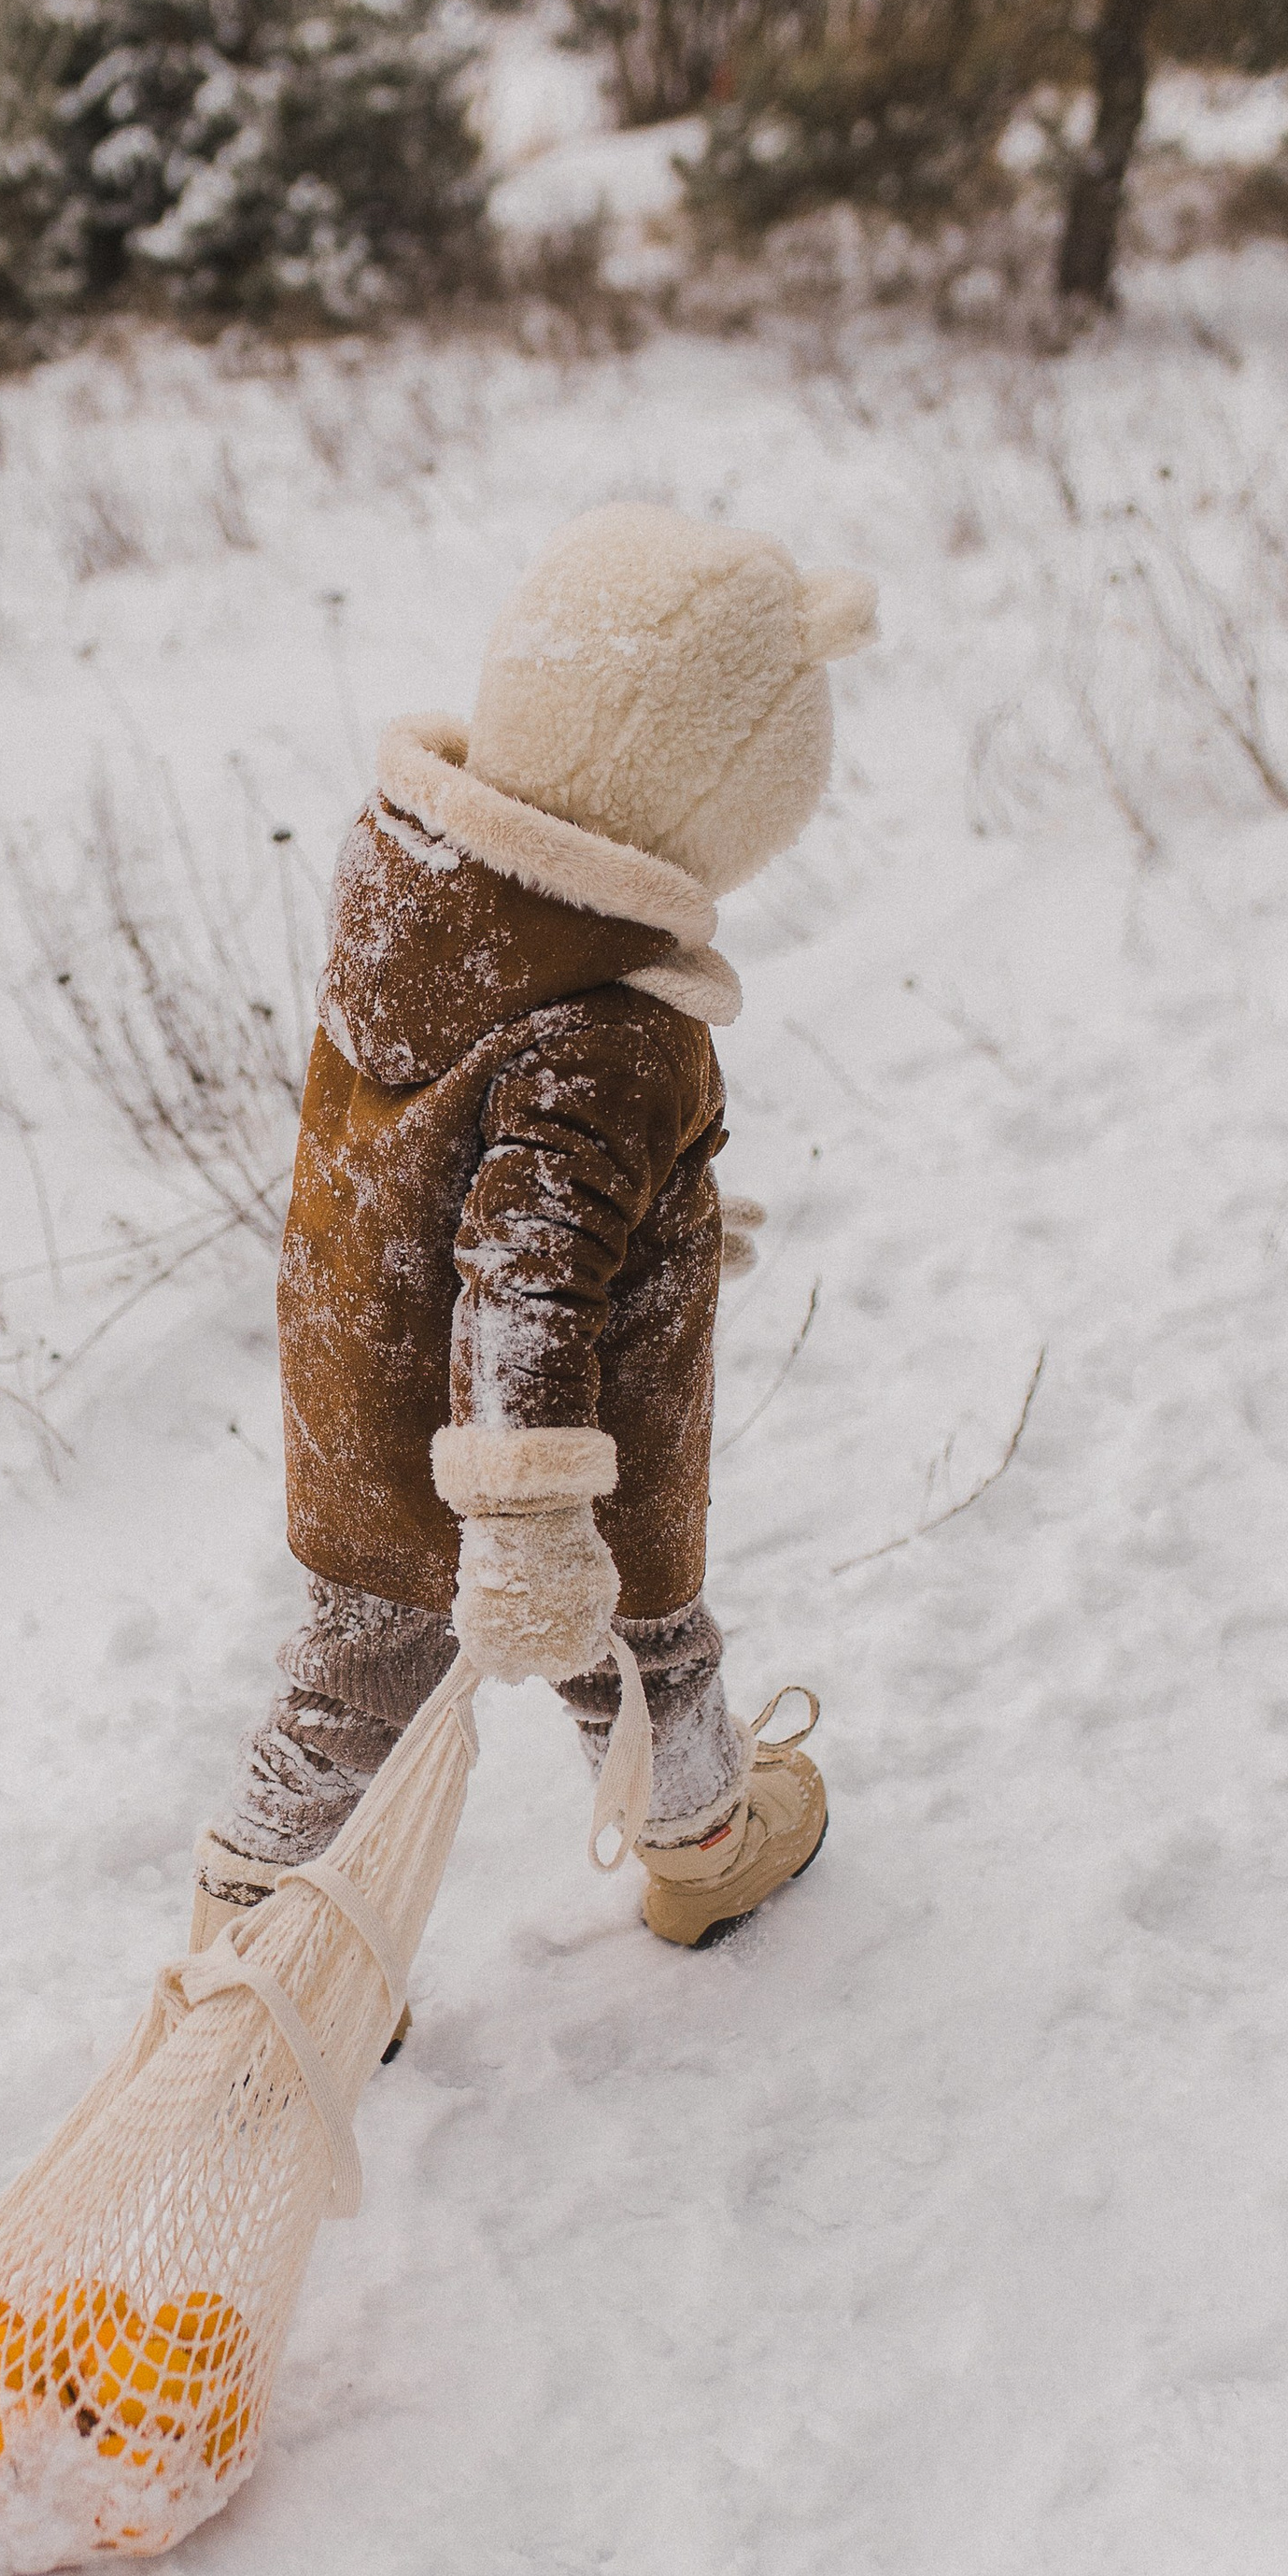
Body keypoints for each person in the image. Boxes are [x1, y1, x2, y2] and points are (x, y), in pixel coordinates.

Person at [193, 502, 875, 1962]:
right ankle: (703, 1843)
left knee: (354, 1670)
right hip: (562, 1448)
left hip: (359, 1387)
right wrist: (525, 1518)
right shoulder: (608, 1032)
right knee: (644, 1656)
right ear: (721, 794)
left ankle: (257, 1929)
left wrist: (665, 1200)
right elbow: (524, 1280)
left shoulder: (419, 895)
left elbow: (478, 1153)